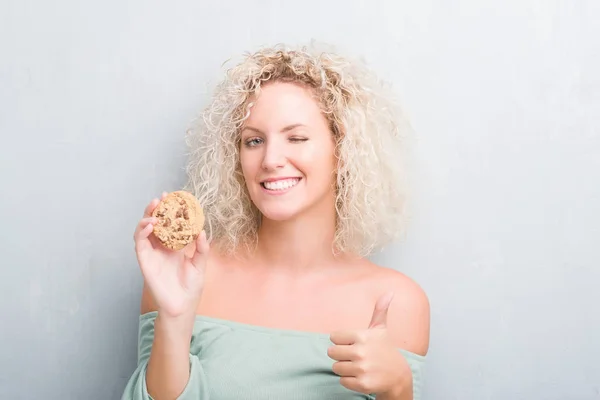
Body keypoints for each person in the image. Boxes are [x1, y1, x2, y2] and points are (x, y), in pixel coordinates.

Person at [122, 42, 430, 400]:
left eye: (296, 138)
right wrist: (174, 317)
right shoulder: (186, 276)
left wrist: (398, 389)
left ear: (342, 151)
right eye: (253, 141)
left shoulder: (398, 302)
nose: (270, 159)